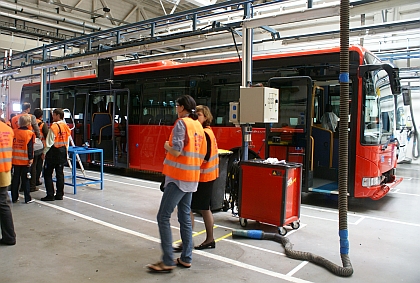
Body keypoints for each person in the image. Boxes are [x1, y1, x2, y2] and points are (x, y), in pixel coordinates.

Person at [147, 95, 207, 273]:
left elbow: (177, 150)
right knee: (184, 218)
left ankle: (167, 261)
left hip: (178, 177)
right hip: (191, 177)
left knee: (163, 217)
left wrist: (166, 146)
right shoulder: (198, 126)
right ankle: (186, 258)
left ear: (182, 108)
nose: (176, 109)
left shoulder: (182, 123)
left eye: (176, 106)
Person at [174, 105, 219, 252]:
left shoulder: (204, 133)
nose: (197, 117)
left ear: (206, 117)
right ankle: (207, 239)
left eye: (199, 115)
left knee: (188, 209)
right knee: (204, 209)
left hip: (203, 177)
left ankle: (187, 242)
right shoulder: (208, 132)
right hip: (208, 176)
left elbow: (203, 158)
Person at [41, 108, 71, 201]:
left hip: (53, 153)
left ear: (58, 115)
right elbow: (68, 140)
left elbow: (49, 142)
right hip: (62, 152)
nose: (52, 116)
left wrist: (44, 152)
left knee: (47, 174)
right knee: (60, 174)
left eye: (54, 115)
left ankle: (50, 195)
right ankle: (59, 194)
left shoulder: (54, 127)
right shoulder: (66, 126)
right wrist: (66, 151)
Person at [11, 114, 35, 204]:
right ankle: (27, 198)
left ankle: (14, 198)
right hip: (25, 161)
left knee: (15, 179)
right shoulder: (30, 134)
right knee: (26, 179)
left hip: (15, 160)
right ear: (29, 123)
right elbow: (30, 148)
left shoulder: (13, 132)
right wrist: (31, 158)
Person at [0, 120, 16, 245]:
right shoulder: (7, 129)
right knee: (3, 205)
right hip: (5, 171)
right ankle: (9, 236)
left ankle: (10, 237)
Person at [30, 108, 49, 192]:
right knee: (38, 166)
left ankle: (31, 182)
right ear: (41, 116)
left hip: (31, 146)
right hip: (40, 147)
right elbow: (47, 135)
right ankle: (36, 181)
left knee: (32, 166)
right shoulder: (42, 124)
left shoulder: (29, 123)